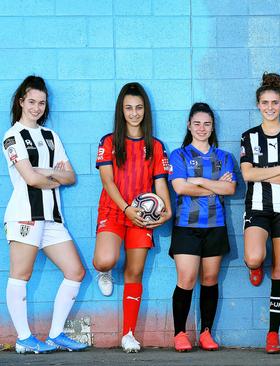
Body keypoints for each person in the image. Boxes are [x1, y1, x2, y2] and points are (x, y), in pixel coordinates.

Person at [3, 75, 88, 353]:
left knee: (75, 271)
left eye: (41, 102)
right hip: (25, 216)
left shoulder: (51, 137)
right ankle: (24, 338)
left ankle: (54, 334)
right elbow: (30, 179)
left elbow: (71, 176)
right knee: (20, 275)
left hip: (52, 218)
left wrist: (45, 172)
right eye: (31, 102)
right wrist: (52, 175)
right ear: (21, 102)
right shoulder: (12, 136)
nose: (36, 107)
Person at [91, 82, 172, 353]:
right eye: (128, 108)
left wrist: (166, 210)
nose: (134, 113)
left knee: (134, 272)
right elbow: (107, 181)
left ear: (145, 110)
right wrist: (126, 208)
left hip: (142, 214)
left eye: (138, 108)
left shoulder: (156, 146)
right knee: (105, 260)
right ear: (121, 110)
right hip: (115, 210)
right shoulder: (109, 141)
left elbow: (160, 184)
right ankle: (104, 272)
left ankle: (128, 333)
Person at [239, 73, 280, 353]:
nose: (269, 107)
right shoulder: (249, 136)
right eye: (264, 102)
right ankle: (255, 267)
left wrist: (262, 173)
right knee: (254, 256)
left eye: (274, 102)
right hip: (257, 207)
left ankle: (272, 334)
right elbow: (246, 174)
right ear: (258, 105)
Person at [168, 102, 236, 352]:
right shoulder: (179, 155)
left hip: (215, 225)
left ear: (212, 127)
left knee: (209, 279)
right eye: (197, 123)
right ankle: (179, 333)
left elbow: (229, 189)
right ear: (189, 125)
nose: (201, 128)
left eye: (207, 124)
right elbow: (180, 187)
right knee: (186, 278)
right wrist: (213, 184)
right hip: (187, 225)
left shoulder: (224, 157)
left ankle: (206, 332)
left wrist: (198, 180)